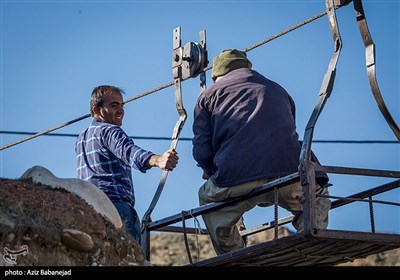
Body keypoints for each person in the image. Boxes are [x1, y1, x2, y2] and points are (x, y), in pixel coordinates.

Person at [192, 49, 331, 255]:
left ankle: (234, 254)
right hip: (289, 173)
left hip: (236, 177)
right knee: (316, 197)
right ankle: (309, 244)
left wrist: (210, 170)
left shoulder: (209, 95)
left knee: (208, 200)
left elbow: (202, 148)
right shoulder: (279, 90)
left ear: (216, 75)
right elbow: (286, 132)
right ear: (247, 67)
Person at [75, 85, 179, 244]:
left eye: (122, 105)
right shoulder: (109, 131)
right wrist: (157, 160)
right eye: (114, 105)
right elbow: (128, 151)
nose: (121, 110)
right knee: (132, 257)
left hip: (88, 210)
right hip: (115, 208)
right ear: (96, 110)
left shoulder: (81, 138)